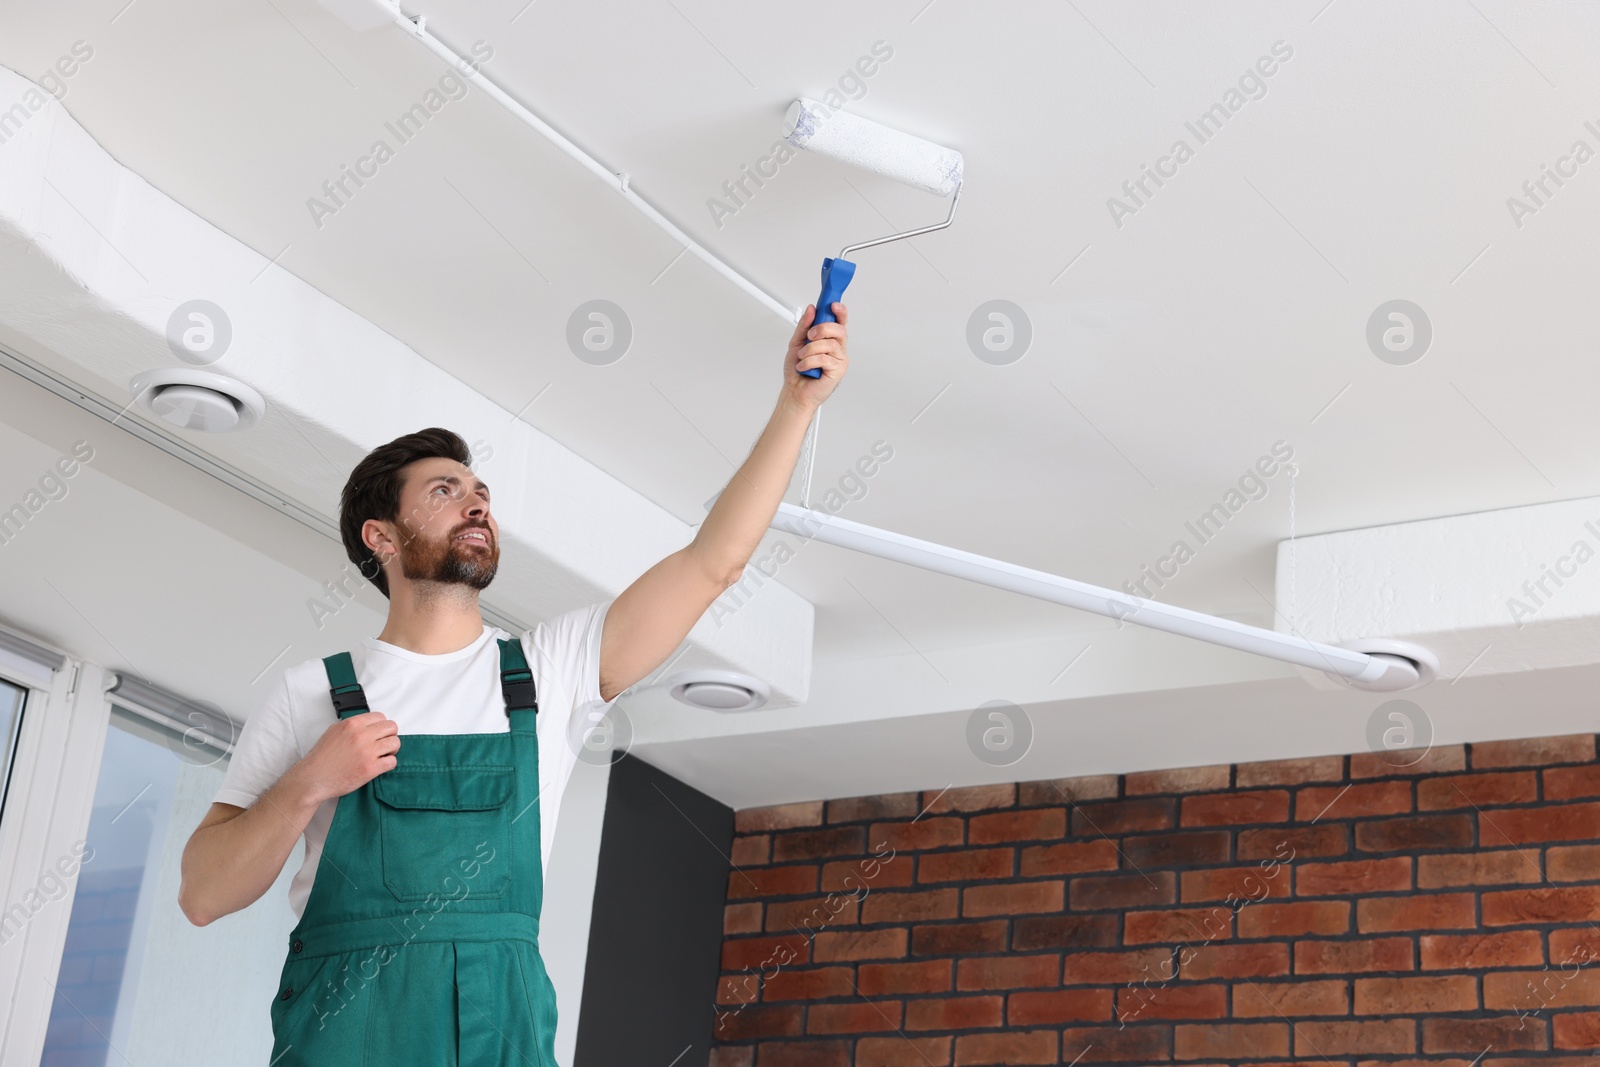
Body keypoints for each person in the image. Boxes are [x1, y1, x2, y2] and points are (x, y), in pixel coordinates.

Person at [177, 303, 849, 1065]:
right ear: (381, 537)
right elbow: (203, 893)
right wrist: (308, 783)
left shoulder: (548, 671)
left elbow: (712, 563)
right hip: (346, 1033)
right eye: (443, 491)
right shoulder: (312, 695)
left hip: (502, 1034)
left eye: (481, 492)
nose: (477, 502)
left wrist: (796, 405)